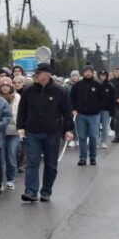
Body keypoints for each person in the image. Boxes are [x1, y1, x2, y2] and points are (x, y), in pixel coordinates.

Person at [16, 62, 75, 203]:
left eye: (38, 73)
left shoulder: (60, 91)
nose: (36, 75)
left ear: (47, 75)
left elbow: (67, 112)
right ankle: (31, 191)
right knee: (32, 162)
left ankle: (46, 191)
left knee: (51, 164)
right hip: (33, 132)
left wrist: (68, 129)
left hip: (52, 133)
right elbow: (22, 110)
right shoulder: (28, 91)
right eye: (36, 73)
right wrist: (21, 126)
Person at [70, 65, 102, 166]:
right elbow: (71, 98)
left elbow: (103, 98)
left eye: (90, 71)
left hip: (94, 115)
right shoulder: (77, 85)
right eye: (86, 71)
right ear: (83, 73)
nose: (88, 73)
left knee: (93, 136)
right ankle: (83, 158)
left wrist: (98, 108)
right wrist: (73, 109)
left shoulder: (97, 84)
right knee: (82, 137)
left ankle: (93, 157)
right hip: (80, 115)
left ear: (92, 73)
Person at [0, 76, 21, 190]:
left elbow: (21, 112)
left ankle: (10, 179)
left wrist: (22, 127)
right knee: (0, 159)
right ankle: (0, 181)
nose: (5, 88)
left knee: (11, 157)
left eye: (7, 85)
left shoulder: (17, 97)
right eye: (3, 85)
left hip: (14, 132)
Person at [97, 69, 115, 149]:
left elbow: (112, 99)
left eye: (104, 75)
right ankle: (96, 141)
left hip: (106, 110)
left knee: (105, 127)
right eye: (101, 75)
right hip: (96, 110)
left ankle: (103, 142)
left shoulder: (110, 86)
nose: (102, 77)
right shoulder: (95, 84)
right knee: (96, 126)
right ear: (99, 76)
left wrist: (112, 110)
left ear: (106, 76)